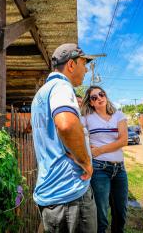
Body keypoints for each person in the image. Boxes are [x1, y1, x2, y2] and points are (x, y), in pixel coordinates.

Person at [31, 43, 97, 233]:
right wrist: (86, 162)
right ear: (71, 65)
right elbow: (66, 125)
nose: (85, 70)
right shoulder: (61, 86)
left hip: (55, 195)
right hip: (69, 196)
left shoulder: (42, 93)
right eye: (84, 64)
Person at [81, 86, 128, 233]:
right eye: (94, 97)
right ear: (91, 103)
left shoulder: (119, 115)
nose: (99, 98)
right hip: (99, 169)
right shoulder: (87, 118)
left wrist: (98, 150)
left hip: (119, 169)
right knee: (101, 214)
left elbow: (123, 140)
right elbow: (78, 136)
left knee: (120, 212)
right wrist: (88, 146)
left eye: (101, 94)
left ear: (106, 96)